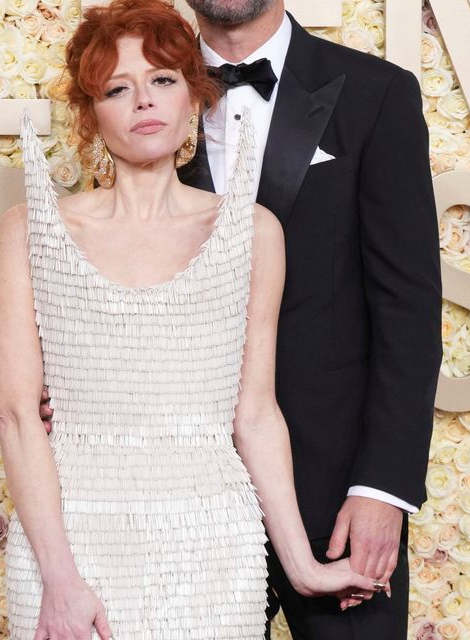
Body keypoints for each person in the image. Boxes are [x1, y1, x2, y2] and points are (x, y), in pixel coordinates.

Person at [0, 1, 378, 638]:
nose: (144, 100)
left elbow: (254, 415)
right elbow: (15, 415)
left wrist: (302, 565)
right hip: (71, 542)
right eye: (118, 88)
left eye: (163, 80)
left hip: (214, 549)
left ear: (194, 99)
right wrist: (59, 580)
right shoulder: (31, 230)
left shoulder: (252, 231)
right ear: (91, 116)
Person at [176, 0, 444, 637]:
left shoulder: (377, 93)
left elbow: (408, 307)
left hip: (337, 494)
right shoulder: (148, 91)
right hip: (183, 489)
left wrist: (382, 487)